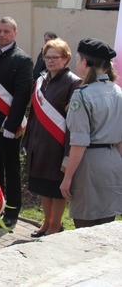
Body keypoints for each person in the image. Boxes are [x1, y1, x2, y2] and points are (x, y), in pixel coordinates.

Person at [60, 38, 122, 228]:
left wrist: (67, 177)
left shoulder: (83, 94)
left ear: (86, 63)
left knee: (85, 230)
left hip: (89, 165)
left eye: (77, 59)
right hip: (113, 161)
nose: (76, 63)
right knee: (105, 226)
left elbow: (79, 143)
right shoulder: (117, 91)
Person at [23, 38, 81, 237]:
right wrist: (27, 140)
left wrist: (68, 151)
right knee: (42, 186)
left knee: (56, 188)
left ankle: (56, 225)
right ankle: (46, 223)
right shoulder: (40, 80)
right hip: (39, 142)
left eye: (55, 57)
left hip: (58, 144)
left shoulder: (73, 82)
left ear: (65, 59)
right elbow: (33, 114)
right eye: (47, 57)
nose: (50, 61)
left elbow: (73, 121)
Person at [0, 16, 33, 228]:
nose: (2, 35)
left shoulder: (22, 59)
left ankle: (12, 211)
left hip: (7, 125)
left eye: (7, 31)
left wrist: (11, 126)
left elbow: (22, 96)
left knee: (11, 170)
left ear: (15, 33)